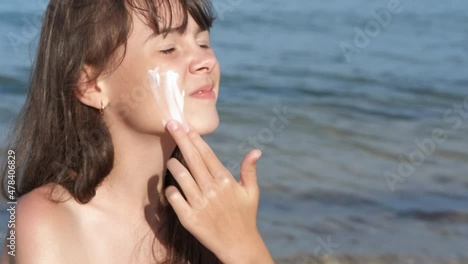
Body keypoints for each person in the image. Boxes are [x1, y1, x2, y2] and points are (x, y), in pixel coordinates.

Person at [0, 0, 274, 263]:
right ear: (91, 86)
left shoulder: (209, 216)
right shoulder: (44, 222)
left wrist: (245, 245)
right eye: (169, 49)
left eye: (203, 43)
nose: (206, 61)